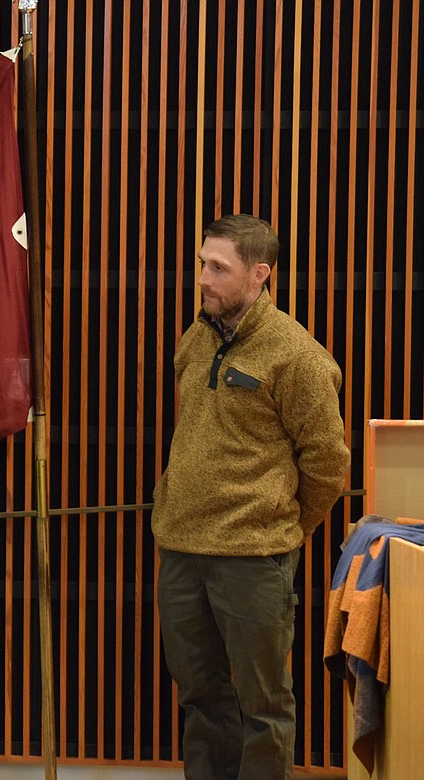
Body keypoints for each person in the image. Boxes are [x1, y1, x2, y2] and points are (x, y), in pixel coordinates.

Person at [152, 214, 349, 780]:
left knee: (263, 705)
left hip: (253, 558)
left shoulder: (298, 357)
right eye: (201, 264)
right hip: (182, 551)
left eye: (218, 268)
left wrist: (282, 527)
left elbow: (328, 466)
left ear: (259, 274)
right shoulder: (196, 337)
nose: (203, 278)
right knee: (200, 698)